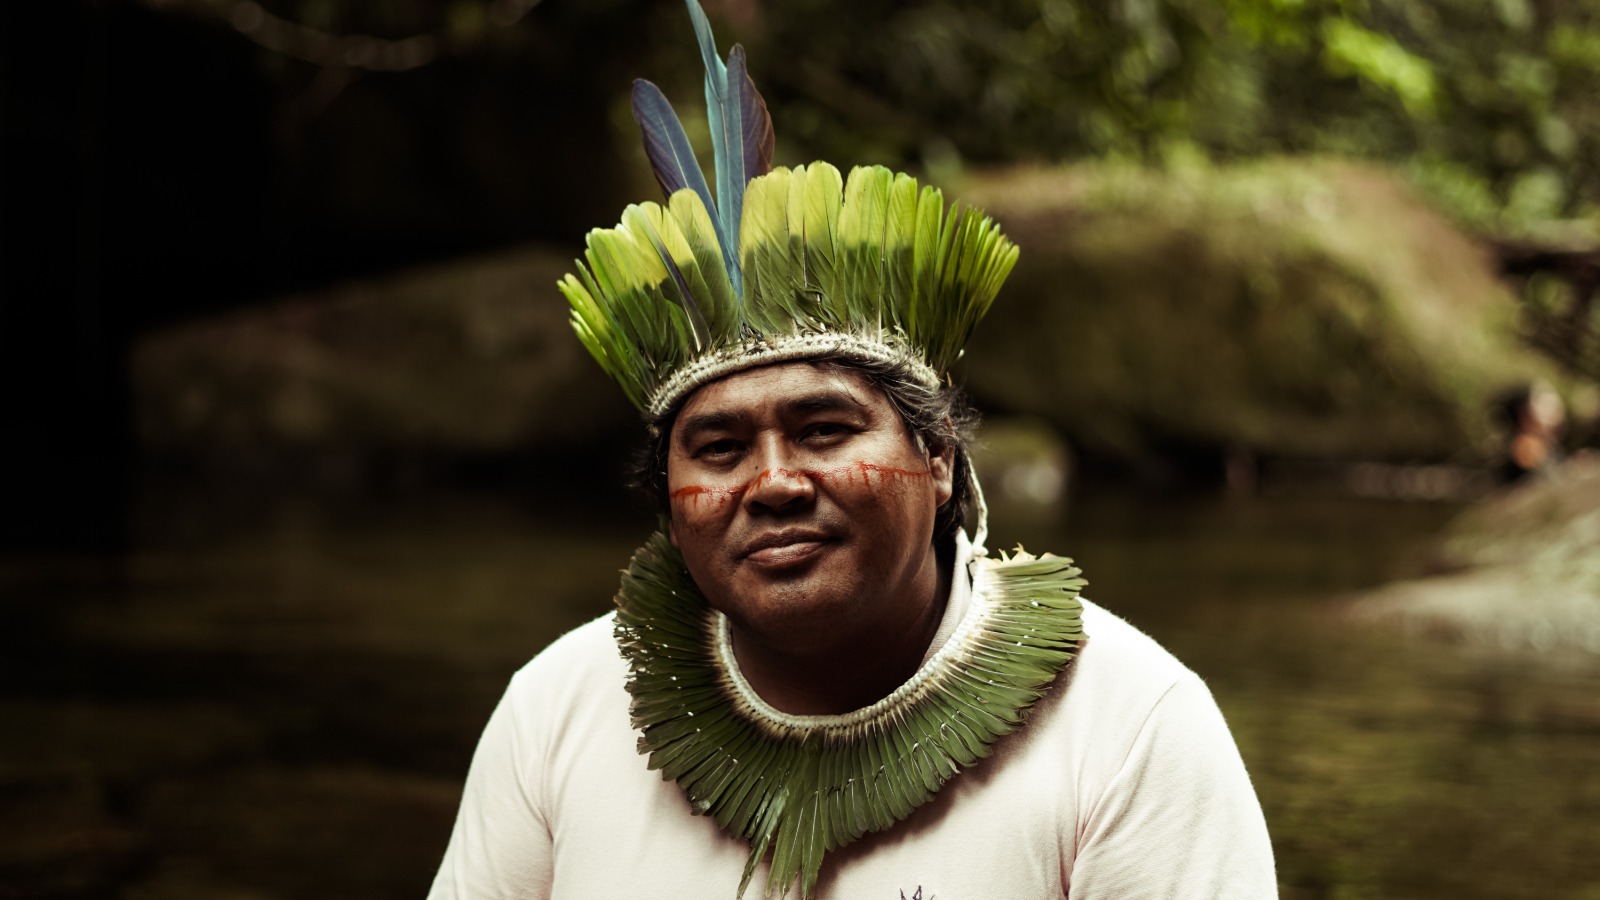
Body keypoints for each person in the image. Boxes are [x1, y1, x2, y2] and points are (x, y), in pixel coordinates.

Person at [429, 3, 1275, 897]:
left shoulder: (1128, 727)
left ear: (938, 456)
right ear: (667, 504)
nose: (774, 482)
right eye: (719, 448)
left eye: (823, 431)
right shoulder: (558, 710)